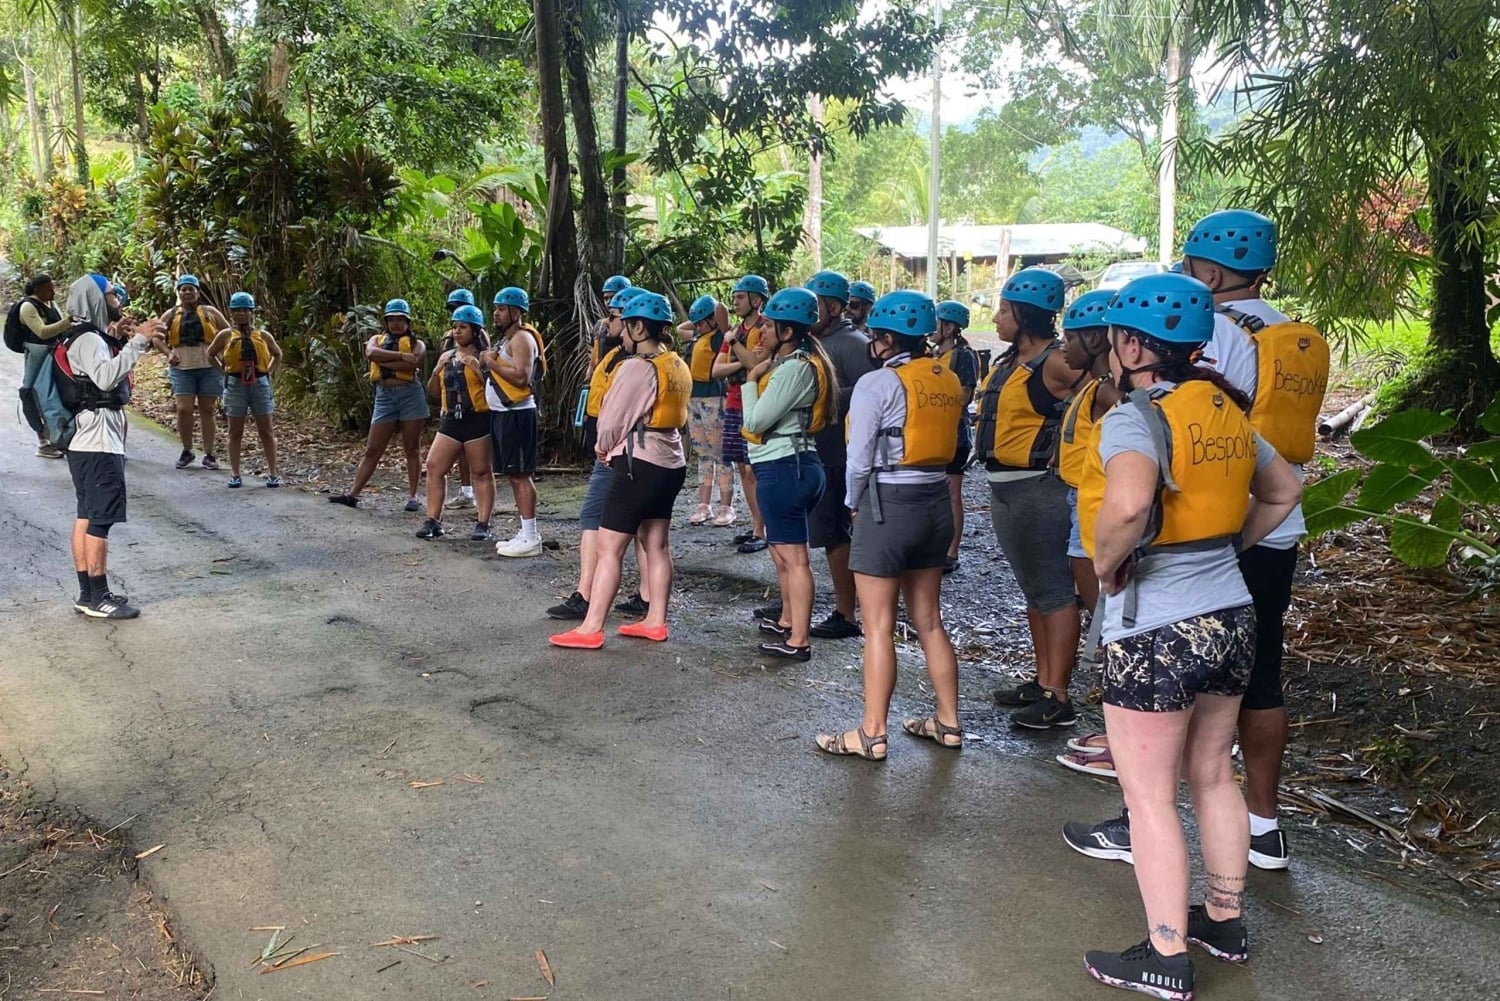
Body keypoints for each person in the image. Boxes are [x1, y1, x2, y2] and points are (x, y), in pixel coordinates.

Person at [1057, 273, 1301, 998]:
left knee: (1150, 797)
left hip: (1156, 628)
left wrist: (1108, 564)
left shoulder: (1137, 418)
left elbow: (1130, 503)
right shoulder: (1225, 410)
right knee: (1213, 773)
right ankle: (1223, 920)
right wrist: (1225, 549)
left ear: (1134, 346)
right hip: (1231, 614)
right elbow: (1284, 491)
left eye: (1114, 339)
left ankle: (1165, 952)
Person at [815, 290, 964, 760]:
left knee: (878, 625)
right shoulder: (946, 377)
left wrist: (851, 502)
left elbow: (858, 457)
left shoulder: (877, 383)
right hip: (935, 500)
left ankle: (872, 733)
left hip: (888, 501)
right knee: (930, 620)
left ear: (885, 338)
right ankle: (948, 722)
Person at [975, 266, 1086, 729]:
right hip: (1006, 489)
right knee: (1035, 590)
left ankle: (1058, 695)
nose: (996, 318)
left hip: (1039, 488)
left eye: (1004, 311)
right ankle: (1043, 683)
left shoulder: (1055, 362)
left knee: (1055, 591)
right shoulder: (1010, 360)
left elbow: (1102, 397)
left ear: (1024, 314)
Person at [551, 292, 691, 649]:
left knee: (609, 547)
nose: (623, 334)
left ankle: (591, 627)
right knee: (656, 543)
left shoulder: (636, 367)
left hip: (637, 463)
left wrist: (602, 446)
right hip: (670, 462)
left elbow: (612, 419)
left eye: (627, 326)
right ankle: (656, 620)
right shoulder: (675, 362)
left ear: (639, 328)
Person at [55, 275, 168, 618]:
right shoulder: (89, 339)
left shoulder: (84, 335)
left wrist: (116, 339)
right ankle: (99, 598)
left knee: (87, 515)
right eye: (110, 295)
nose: (117, 299)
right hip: (98, 441)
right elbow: (105, 379)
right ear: (95, 299)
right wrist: (139, 342)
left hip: (86, 440)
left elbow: (95, 373)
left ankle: (87, 594)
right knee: (99, 520)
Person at [736, 287, 837, 661]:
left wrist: (750, 380)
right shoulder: (793, 365)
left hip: (786, 468)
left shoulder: (794, 369)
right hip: (787, 466)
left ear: (788, 331)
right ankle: (787, 620)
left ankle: (799, 640)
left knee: (795, 559)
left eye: (769, 325)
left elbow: (755, 422)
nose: (761, 330)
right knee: (783, 554)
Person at [548, 285, 653, 621]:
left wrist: (604, 446)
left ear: (634, 323)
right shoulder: (618, 355)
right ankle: (647, 595)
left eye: (615, 317)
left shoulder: (634, 363)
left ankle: (586, 595)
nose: (609, 324)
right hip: (627, 453)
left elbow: (620, 412)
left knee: (594, 520)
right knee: (643, 528)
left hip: (618, 453)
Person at [791, 269, 879, 640]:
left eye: (817, 305)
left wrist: (822, 395)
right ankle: (792, 604)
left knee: (835, 535)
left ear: (835, 308)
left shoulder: (853, 344)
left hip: (837, 454)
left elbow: (870, 393)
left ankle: (847, 612)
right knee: (812, 531)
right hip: (813, 451)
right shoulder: (814, 341)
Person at [330, 299, 429, 511]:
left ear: (407, 322)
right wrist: (401, 356)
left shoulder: (417, 344)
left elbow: (413, 362)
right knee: (373, 448)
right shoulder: (377, 339)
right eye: (391, 319)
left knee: (412, 447)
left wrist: (384, 360)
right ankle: (353, 494)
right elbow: (371, 353)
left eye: (400, 319)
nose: (396, 323)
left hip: (410, 394)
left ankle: (413, 496)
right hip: (384, 395)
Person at [417, 305, 496, 540]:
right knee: (434, 466)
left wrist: (477, 368)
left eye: (463, 327)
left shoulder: (484, 356)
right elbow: (433, 391)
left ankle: (483, 523)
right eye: (454, 327)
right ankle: (433, 520)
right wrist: (436, 370)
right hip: (451, 419)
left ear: (475, 330)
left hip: (478, 419)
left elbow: (496, 389)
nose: (457, 332)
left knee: (481, 471)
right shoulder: (446, 356)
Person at [484, 286, 545, 557]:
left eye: (501, 309)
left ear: (516, 312)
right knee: (514, 474)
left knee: (521, 475)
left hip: (517, 415)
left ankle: (531, 536)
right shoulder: (507, 339)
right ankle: (525, 530)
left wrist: (491, 363)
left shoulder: (522, 338)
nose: (496, 314)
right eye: (495, 309)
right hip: (503, 414)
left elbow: (522, 377)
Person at [712, 275, 770, 547]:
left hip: (755, 401)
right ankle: (756, 524)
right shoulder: (735, 331)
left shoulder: (765, 327)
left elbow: (757, 362)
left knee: (754, 467)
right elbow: (716, 369)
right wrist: (742, 363)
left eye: (740, 297)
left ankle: (763, 529)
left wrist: (735, 346)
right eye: (734, 297)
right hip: (735, 402)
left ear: (756, 300)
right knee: (742, 468)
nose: (735, 302)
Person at [206, 292, 283, 488]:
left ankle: (273, 473)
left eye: (245, 310)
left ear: (252, 312)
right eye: (237, 310)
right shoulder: (226, 335)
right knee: (235, 431)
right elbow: (210, 353)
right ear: (232, 313)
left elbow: (277, 354)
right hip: (235, 384)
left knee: (266, 430)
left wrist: (268, 372)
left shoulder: (263, 335)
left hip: (259, 384)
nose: (241, 314)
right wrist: (222, 371)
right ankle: (235, 473)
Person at [159, 274, 228, 470]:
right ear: (178, 293)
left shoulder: (210, 312)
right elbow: (156, 337)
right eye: (183, 289)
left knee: (207, 409)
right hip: (182, 368)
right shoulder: (170, 314)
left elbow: (228, 334)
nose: (187, 292)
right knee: (184, 409)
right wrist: (168, 353)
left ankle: (209, 454)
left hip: (209, 367)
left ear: (198, 292)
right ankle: (187, 450)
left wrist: (223, 354)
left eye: (191, 289)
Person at [932, 300, 979, 574]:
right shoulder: (935, 354)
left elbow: (965, 395)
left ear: (949, 328)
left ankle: (951, 551)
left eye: (936, 323)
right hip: (936, 432)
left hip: (956, 435)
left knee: (952, 494)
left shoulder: (963, 355)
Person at [683, 294, 736, 525]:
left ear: (712, 320)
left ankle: (726, 507)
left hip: (714, 398)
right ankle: (704, 506)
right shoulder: (698, 336)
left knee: (721, 454)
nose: (697, 327)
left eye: (701, 323)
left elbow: (722, 309)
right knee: (703, 454)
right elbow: (680, 329)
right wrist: (698, 320)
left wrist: (711, 310)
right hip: (694, 398)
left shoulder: (719, 337)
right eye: (696, 324)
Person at [13, 273, 73, 457]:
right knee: (32, 393)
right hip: (38, 355)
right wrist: (68, 322)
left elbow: (59, 327)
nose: (53, 292)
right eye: (49, 288)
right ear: (37, 290)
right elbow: (42, 332)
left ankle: (60, 437)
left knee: (56, 394)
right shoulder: (28, 306)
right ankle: (43, 442)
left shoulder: (50, 304)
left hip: (54, 353)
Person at [444, 288, 480, 511]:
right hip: (452, 399)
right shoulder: (451, 335)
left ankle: (473, 492)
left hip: (473, 403)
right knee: (459, 451)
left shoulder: (478, 335)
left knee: (474, 453)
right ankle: (466, 490)